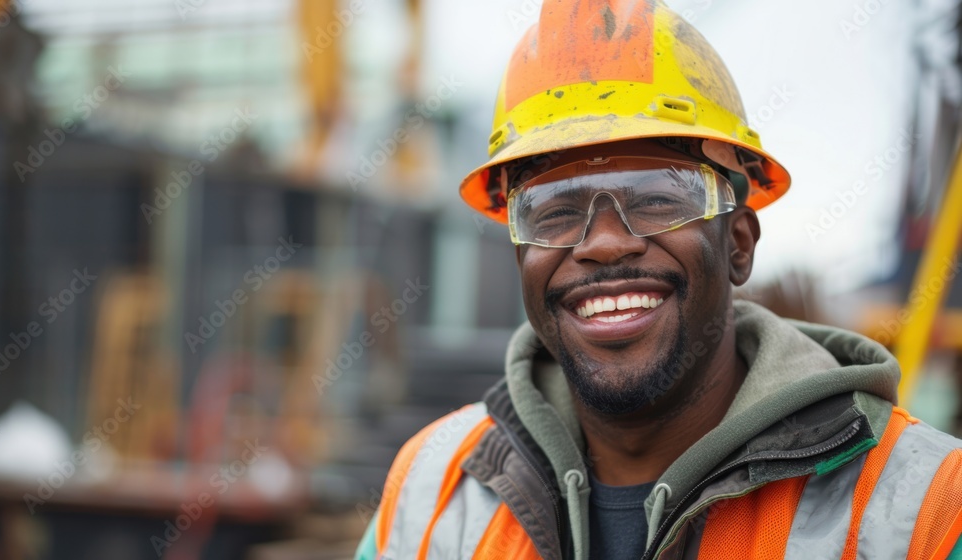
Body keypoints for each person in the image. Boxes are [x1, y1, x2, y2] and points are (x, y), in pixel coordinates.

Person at [354, 1, 962, 558]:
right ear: (521, 259)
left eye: (657, 198)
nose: (604, 243)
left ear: (739, 245)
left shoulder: (928, 509)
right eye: (555, 211)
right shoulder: (432, 487)